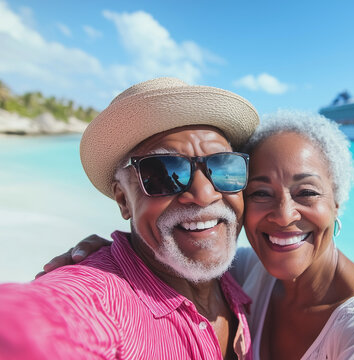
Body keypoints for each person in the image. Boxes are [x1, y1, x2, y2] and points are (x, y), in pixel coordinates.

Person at [43, 111, 354, 359]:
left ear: (338, 202)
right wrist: (111, 255)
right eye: (261, 193)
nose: (284, 216)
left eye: (307, 193)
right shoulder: (247, 272)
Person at [0, 77, 260, 359]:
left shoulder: (247, 276)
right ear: (123, 199)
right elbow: (32, 324)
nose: (204, 193)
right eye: (162, 173)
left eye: (223, 166)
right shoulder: (103, 302)